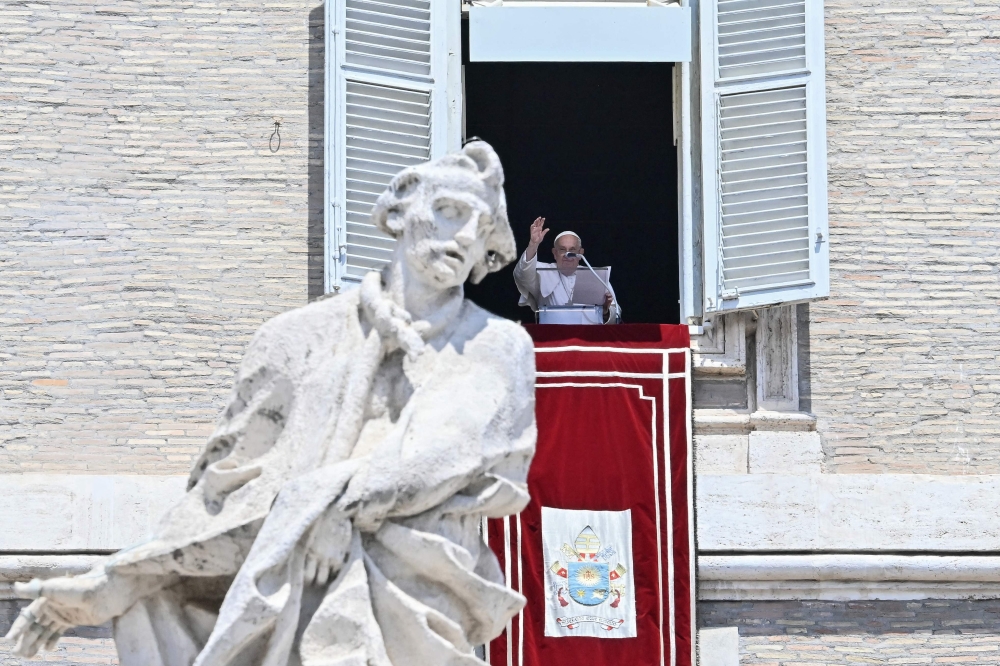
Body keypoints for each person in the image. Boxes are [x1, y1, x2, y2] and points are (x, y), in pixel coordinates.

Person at [5, 141, 537, 666]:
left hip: (417, 592)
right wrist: (123, 578)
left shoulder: (495, 346)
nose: (464, 236)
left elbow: (440, 455)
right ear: (399, 212)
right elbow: (227, 484)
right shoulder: (296, 338)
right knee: (170, 611)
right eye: (448, 212)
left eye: (480, 225)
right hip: (288, 581)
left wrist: (330, 509)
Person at [512, 217, 618, 322]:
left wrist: (604, 311)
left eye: (572, 250)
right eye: (562, 249)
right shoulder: (542, 272)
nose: (567, 254)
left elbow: (616, 313)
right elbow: (522, 274)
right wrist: (533, 244)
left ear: (580, 253)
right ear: (555, 253)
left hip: (587, 336)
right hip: (553, 335)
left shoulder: (595, 275)